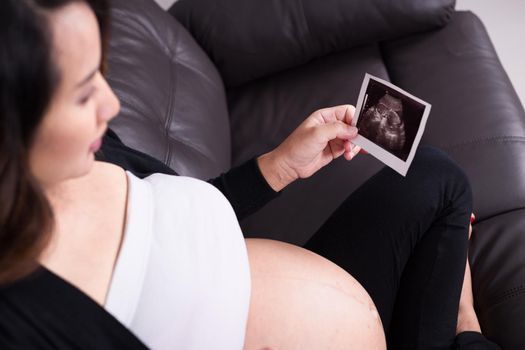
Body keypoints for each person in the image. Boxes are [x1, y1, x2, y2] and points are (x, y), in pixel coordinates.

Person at [0, 0, 501, 349]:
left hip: (315, 292)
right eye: (84, 93)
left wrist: (280, 165)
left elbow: (174, 224)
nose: (111, 104)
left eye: (102, 75)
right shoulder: (23, 318)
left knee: (439, 177)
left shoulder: (91, 151)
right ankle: (465, 325)